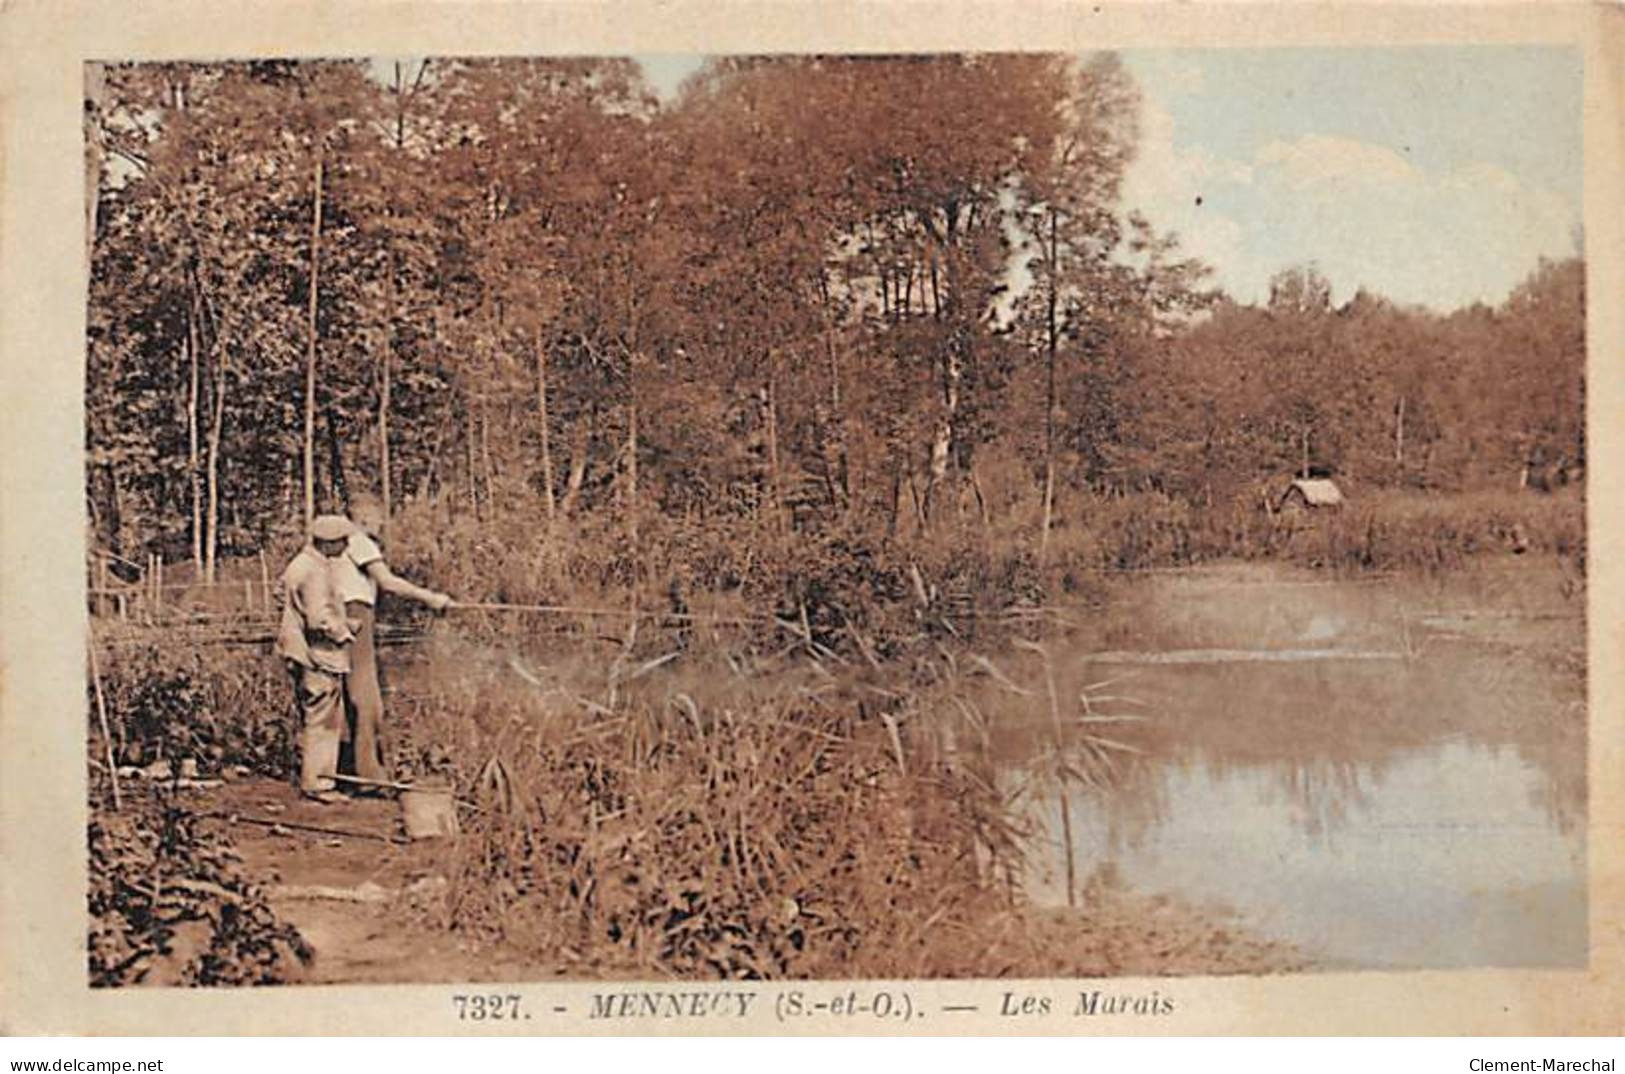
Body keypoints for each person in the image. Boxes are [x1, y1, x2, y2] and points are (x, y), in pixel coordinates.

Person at [332, 496, 453, 786]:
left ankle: (352, 769)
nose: (382, 523)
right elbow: (388, 582)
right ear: (363, 518)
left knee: (350, 695)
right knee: (366, 697)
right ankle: (369, 776)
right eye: (378, 518)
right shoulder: (359, 541)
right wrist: (431, 598)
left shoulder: (335, 545)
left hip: (344, 616)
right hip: (355, 615)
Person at [273, 515, 358, 804]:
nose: (346, 546)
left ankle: (316, 777)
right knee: (323, 717)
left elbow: (281, 597)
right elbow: (318, 618)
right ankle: (319, 783)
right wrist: (343, 632)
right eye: (342, 541)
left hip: (299, 649)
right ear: (329, 542)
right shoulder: (315, 571)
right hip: (319, 654)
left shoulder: (299, 565)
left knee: (315, 714)